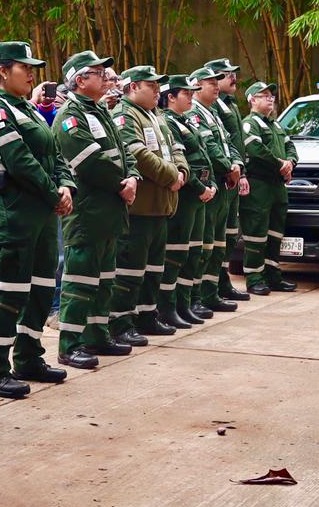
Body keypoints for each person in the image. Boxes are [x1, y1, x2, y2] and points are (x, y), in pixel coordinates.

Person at [0, 41, 75, 399]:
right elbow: (19, 160)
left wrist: (66, 186)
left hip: (43, 213)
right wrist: (54, 193)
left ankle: (29, 357)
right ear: (3, 71)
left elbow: (55, 153)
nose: (32, 75)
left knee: (41, 288)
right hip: (15, 213)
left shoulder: (28, 109)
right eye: (25, 68)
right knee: (7, 293)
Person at [53, 50, 140, 367]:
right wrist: (121, 184)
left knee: (104, 281)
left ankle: (97, 336)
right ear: (80, 80)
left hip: (110, 211)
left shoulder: (100, 110)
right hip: (88, 213)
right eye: (99, 73)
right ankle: (70, 344)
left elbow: (125, 151)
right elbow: (89, 160)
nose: (106, 78)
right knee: (80, 282)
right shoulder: (70, 116)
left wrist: (133, 176)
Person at [109, 66, 187, 342]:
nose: (157, 90)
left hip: (161, 205)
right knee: (130, 271)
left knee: (154, 268)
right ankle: (121, 322)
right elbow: (137, 153)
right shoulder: (124, 114)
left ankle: (147, 316)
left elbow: (176, 148)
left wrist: (182, 172)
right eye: (151, 85)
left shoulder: (155, 115)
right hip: (139, 208)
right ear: (133, 87)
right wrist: (171, 176)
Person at [184, 66, 242, 316]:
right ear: (196, 86)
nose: (217, 86)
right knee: (206, 244)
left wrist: (236, 164)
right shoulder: (194, 113)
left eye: (217, 82)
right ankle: (198, 296)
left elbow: (229, 143)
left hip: (225, 183)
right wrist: (228, 167)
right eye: (211, 82)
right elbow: (208, 147)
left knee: (219, 243)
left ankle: (211, 292)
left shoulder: (212, 112)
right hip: (214, 181)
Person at [159, 74, 215, 327]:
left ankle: (187, 302)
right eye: (186, 93)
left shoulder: (186, 120)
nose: (191, 97)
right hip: (186, 195)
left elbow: (203, 156)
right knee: (176, 254)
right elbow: (182, 162)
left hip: (199, 195)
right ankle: (169, 307)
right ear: (170, 97)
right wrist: (200, 187)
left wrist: (211, 185)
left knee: (194, 252)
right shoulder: (168, 122)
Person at [238, 81, 298, 294]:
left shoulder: (276, 125)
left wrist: (290, 163)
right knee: (256, 233)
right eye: (264, 96)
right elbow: (256, 150)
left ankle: (273, 276)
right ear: (253, 100)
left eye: (271, 95)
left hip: (277, 187)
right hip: (259, 186)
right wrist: (280, 164)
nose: (270, 99)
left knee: (275, 233)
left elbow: (291, 147)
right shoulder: (249, 124)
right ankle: (254, 278)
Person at [204, 57, 250, 302]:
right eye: (225, 74)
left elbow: (232, 142)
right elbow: (214, 145)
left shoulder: (229, 103)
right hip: (222, 177)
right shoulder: (210, 107)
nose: (233, 78)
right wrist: (230, 169)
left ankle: (222, 282)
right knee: (216, 235)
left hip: (233, 174)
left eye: (233, 73)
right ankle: (212, 287)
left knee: (230, 233)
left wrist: (240, 169)